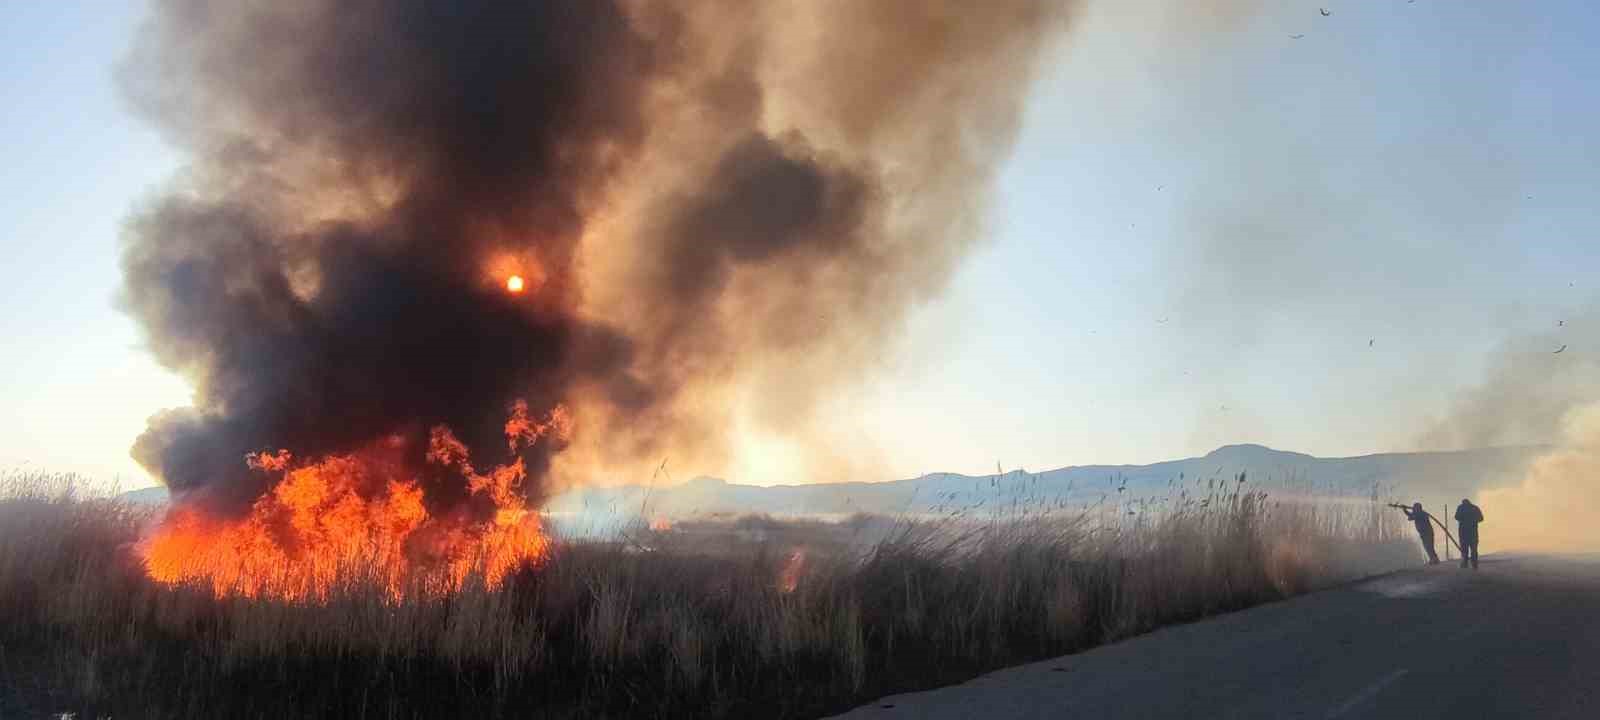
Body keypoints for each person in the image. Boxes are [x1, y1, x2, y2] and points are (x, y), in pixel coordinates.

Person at [1455, 498, 1485, 569]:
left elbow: (1456, 517)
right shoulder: (1475, 508)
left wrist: (1463, 519)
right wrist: (1473, 520)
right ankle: (1474, 565)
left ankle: (1465, 564)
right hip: (1473, 532)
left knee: (1464, 549)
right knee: (1474, 549)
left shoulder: (1460, 507)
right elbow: (1481, 518)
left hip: (1463, 532)